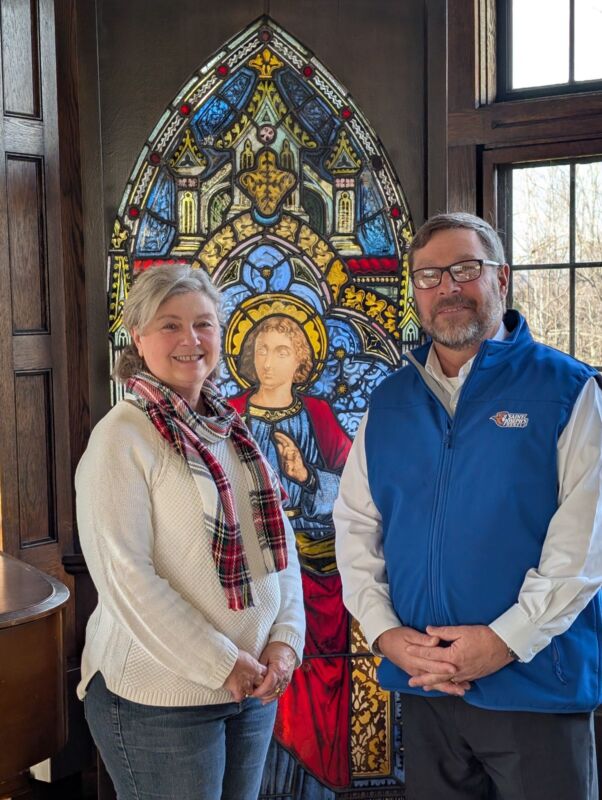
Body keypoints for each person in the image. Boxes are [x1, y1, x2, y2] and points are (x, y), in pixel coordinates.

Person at [334, 212, 602, 800]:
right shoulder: (390, 402)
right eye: (429, 276)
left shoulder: (567, 389)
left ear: (501, 278)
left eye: (464, 269)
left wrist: (501, 643)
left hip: (535, 690)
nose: (447, 288)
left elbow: (583, 550)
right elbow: (355, 529)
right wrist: (385, 634)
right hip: (426, 688)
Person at [76, 264, 305, 800]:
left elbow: (279, 550)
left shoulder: (231, 428)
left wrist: (284, 641)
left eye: (203, 324)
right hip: (160, 703)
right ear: (138, 336)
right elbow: (126, 578)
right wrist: (223, 664)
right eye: (170, 325)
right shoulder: (122, 437)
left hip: (250, 691)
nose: (190, 340)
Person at [229, 314, 354, 788]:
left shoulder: (319, 416)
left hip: (317, 570)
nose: (268, 361)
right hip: (247, 574)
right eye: (261, 349)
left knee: (315, 691)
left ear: (302, 360)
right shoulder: (230, 412)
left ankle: (314, 788)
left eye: (282, 351)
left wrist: (305, 478)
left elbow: (357, 492)